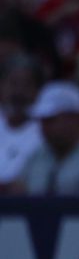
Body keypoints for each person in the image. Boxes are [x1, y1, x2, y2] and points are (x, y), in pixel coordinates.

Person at [0, 53, 43, 192]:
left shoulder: (46, 129)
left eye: (27, 85)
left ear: (38, 90)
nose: (19, 92)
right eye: (13, 83)